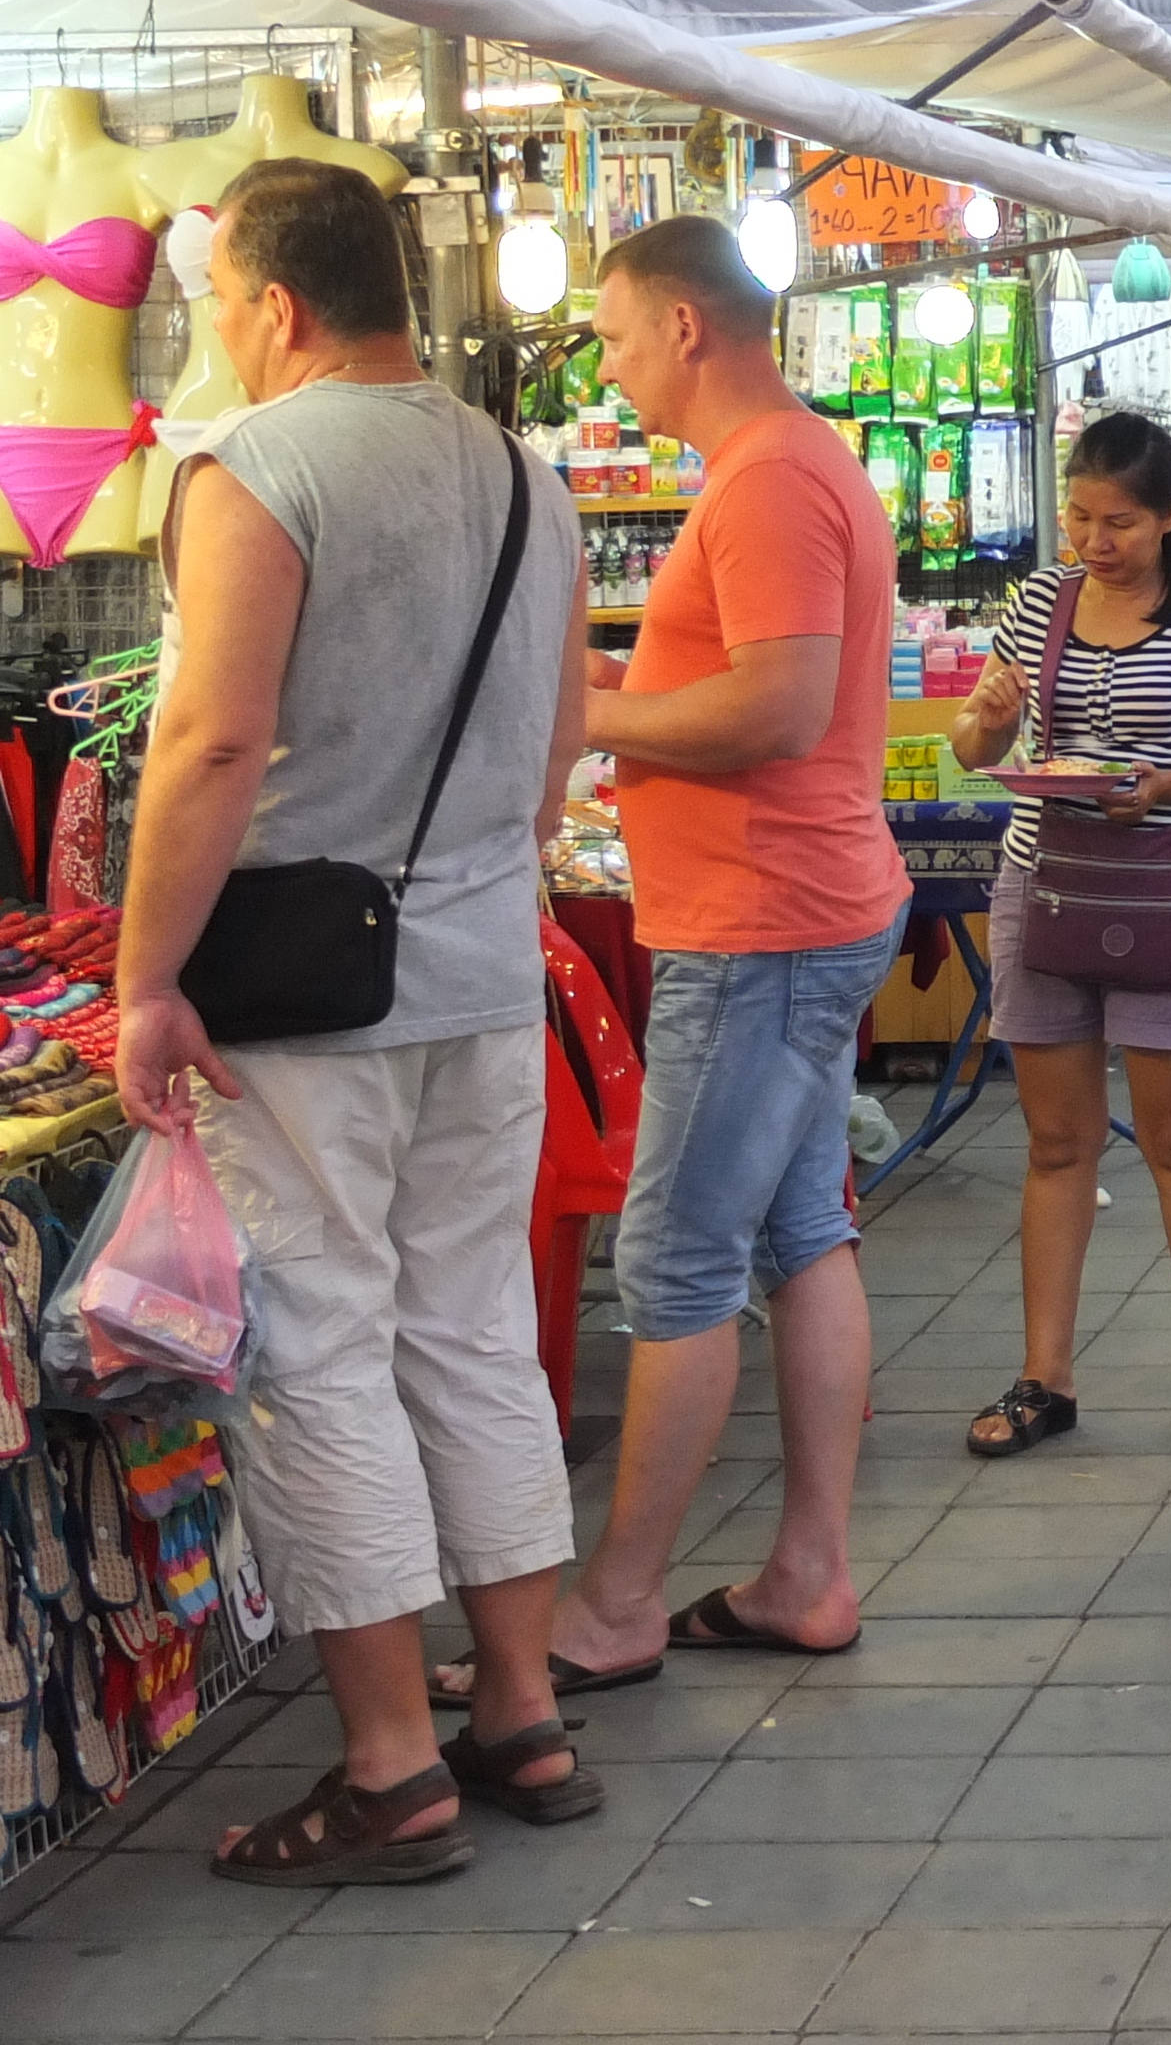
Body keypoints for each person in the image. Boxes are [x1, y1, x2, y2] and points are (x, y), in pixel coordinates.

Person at [114, 161, 588, 1885]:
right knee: (468, 1321)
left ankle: (393, 1763)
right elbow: (551, 765)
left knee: (320, 1338)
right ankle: (522, 1707)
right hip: (481, 968)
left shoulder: (254, 466)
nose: (214, 336)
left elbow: (213, 743)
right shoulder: (525, 475)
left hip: (303, 994)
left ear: (276, 304)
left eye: (218, 305)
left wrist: (147, 970)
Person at [486, 214, 910, 1694]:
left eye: (607, 335)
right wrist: (608, 676)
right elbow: (734, 681)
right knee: (801, 1236)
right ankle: (807, 1570)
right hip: (787, 910)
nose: (601, 369)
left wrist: (592, 720)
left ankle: (613, 1606)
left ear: (684, 326)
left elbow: (778, 711)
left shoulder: (775, 478)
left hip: (766, 920)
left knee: (674, 1264)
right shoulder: (786, 467)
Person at [949, 414, 1171, 1459]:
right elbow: (975, 744)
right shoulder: (1037, 606)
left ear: (1170, 516)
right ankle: (1042, 1376)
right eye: (1080, 520)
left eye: (1121, 524)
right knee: (1058, 1143)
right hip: (1044, 882)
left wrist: (1168, 787)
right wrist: (992, 719)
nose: (1095, 543)